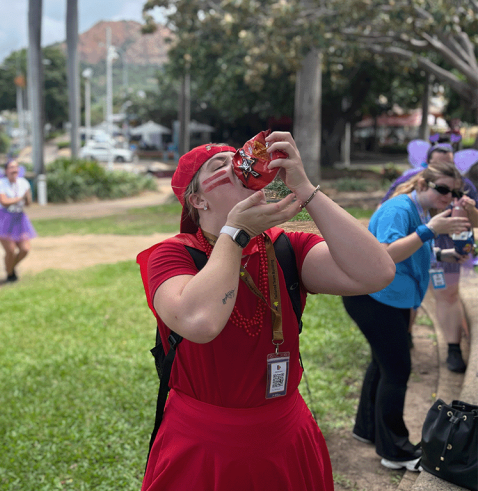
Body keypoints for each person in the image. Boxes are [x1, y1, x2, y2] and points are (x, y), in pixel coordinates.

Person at [137, 133, 396, 490]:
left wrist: (306, 189)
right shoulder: (171, 255)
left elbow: (376, 272)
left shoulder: (287, 247)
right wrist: (235, 233)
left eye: (237, 157)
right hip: (203, 445)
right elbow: (200, 321)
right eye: (218, 165)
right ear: (197, 200)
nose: (238, 164)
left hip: (285, 434)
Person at [343, 161, 472, 471]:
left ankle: (367, 429)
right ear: (422, 185)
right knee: (398, 370)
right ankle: (395, 451)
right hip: (374, 298)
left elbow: (412, 251)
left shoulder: (422, 211)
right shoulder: (400, 209)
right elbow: (386, 253)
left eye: (454, 192)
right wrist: (431, 231)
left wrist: (446, 254)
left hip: (389, 297)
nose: (448, 197)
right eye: (442, 189)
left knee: (383, 363)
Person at [381, 143, 478, 372]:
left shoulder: (462, 184)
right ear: (428, 166)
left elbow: (475, 220)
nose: (448, 194)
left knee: (448, 295)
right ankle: (405, 336)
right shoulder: (410, 190)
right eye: (439, 164)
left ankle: (453, 349)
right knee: (411, 292)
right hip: (413, 246)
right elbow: (387, 212)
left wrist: (470, 209)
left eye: (450, 163)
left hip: (444, 247)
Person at [0, 160, 36, 282]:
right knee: (11, 250)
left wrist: (27, 198)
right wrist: (20, 198)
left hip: (19, 218)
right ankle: (10, 274)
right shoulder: (0, 183)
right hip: (3, 218)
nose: (14, 170)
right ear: (6, 170)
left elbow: (28, 203)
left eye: (16, 167)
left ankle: (10, 267)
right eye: (11, 167)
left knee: (25, 249)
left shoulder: (23, 183)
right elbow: (4, 201)